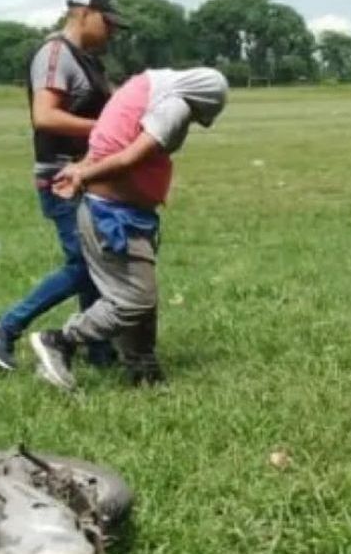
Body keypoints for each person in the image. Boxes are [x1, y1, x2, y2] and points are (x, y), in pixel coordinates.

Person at [27, 67, 229, 390]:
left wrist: (85, 167)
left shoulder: (149, 89)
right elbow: (130, 157)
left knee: (142, 295)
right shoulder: (175, 108)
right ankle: (60, 340)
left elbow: (108, 137)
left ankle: (143, 369)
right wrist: (84, 175)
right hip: (114, 216)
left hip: (118, 212)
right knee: (134, 300)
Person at [0, 0, 128, 375]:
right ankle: (5, 326)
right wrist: (103, 130)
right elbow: (45, 116)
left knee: (95, 260)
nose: (113, 31)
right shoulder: (55, 53)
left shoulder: (90, 60)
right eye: (108, 22)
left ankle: (98, 350)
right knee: (86, 263)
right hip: (61, 177)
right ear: (83, 13)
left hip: (88, 175)